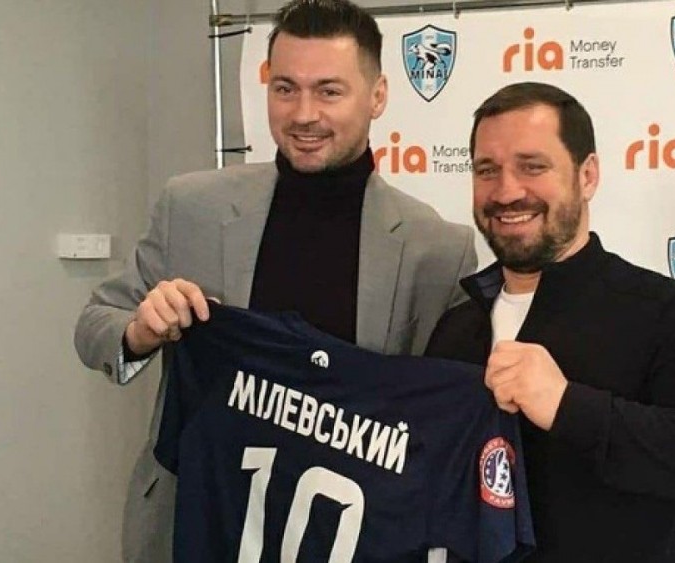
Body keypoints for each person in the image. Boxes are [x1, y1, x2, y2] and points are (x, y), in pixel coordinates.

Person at [73, 1, 475, 560]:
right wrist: (139, 332)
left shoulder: (439, 249)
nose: (304, 114)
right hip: (195, 522)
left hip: (348, 537)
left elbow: (438, 422)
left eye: (329, 91)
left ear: (377, 96)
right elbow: (94, 324)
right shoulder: (191, 206)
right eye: (285, 88)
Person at [424, 82, 675, 562]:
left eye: (532, 166)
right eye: (488, 170)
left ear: (587, 175)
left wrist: (568, 406)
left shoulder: (664, 310)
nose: (506, 191)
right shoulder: (457, 328)